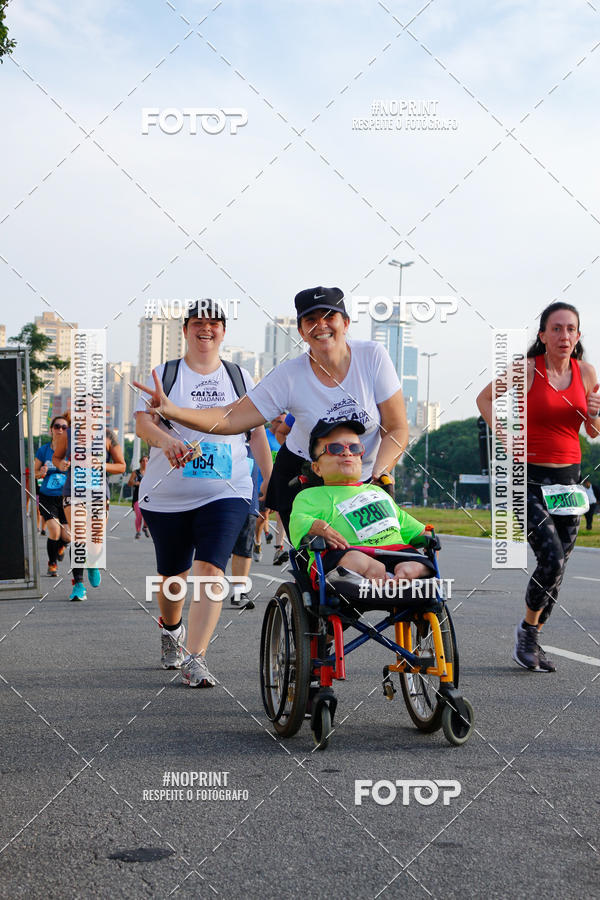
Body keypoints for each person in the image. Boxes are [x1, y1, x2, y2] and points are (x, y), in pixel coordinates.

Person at [134, 286, 408, 543]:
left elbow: (396, 428)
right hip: (303, 474)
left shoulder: (373, 357)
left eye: (329, 317)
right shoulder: (289, 375)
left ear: (345, 323)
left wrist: (380, 474)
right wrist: (173, 411)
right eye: (310, 320)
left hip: (366, 476)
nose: (320, 325)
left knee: (378, 555)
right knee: (318, 561)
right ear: (301, 331)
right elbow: (231, 418)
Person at [134, 299, 272, 687]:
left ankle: (196, 658)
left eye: (214, 323)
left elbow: (257, 433)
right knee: (172, 576)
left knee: (211, 568)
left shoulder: (240, 376)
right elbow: (144, 423)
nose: (206, 329)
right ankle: (171, 628)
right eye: (197, 322)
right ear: (185, 330)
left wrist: (271, 482)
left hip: (227, 490)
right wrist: (166, 443)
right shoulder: (167, 373)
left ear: (224, 332)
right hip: (169, 493)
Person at [477, 301, 600, 673]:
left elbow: (593, 431)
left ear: (578, 336)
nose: (564, 335)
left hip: (569, 481)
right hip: (527, 479)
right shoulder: (528, 369)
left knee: (559, 567)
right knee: (551, 559)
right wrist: (503, 436)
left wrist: (594, 413)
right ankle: (528, 637)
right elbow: (484, 399)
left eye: (571, 329)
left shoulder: (587, 373)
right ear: (543, 335)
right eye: (557, 328)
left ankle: (531, 635)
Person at [289, 420, 431, 587]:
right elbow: (296, 521)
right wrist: (315, 525)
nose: (347, 453)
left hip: (394, 552)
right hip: (343, 554)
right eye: (335, 448)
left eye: (354, 448)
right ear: (317, 468)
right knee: (355, 559)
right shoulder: (310, 495)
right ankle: (374, 570)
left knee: (418, 563)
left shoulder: (377, 492)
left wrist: (427, 536)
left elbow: (404, 523)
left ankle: (402, 575)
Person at [54, 417, 126, 600]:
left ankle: (93, 562)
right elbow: (57, 457)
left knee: (94, 544)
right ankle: (78, 584)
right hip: (73, 493)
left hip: (99, 495)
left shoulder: (108, 436)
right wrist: (60, 464)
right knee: (78, 536)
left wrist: (101, 464)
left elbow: (121, 466)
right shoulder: (68, 435)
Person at [34, 416, 71, 576]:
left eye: (64, 427)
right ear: (51, 430)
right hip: (47, 497)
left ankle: (61, 547)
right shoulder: (44, 450)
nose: (60, 430)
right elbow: (34, 473)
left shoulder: (72, 451)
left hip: (66, 498)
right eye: (57, 426)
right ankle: (52, 563)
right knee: (54, 531)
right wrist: (40, 473)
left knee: (68, 536)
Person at [128, 456, 149, 539]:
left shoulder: (150, 472)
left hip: (148, 498)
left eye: (147, 461)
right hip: (137, 497)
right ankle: (138, 532)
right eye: (143, 461)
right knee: (139, 515)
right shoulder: (136, 472)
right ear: (140, 462)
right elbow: (129, 483)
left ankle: (145, 527)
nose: (145, 463)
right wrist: (135, 483)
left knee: (147, 515)